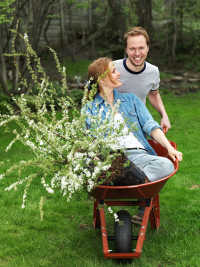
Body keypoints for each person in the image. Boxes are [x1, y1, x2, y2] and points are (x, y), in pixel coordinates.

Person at [83, 57, 182, 224]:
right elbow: (89, 139)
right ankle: (130, 176)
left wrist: (169, 148)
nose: (119, 73)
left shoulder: (131, 100)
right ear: (102, 79)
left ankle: (126, 177)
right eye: (113, 71)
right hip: (110, 158)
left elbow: (151, 126)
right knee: (89, 163)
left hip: (138, 157)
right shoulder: (90, 108)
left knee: (166, 165)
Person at [114, 26, 171, 132]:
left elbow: (153, 94)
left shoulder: (153, 71)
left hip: (138, 126)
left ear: (148, 48)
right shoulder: (113, 69)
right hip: (113, 127)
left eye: (141, 48)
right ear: (126, 49)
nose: (137, 53)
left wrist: (164, 115)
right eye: (132, 49)